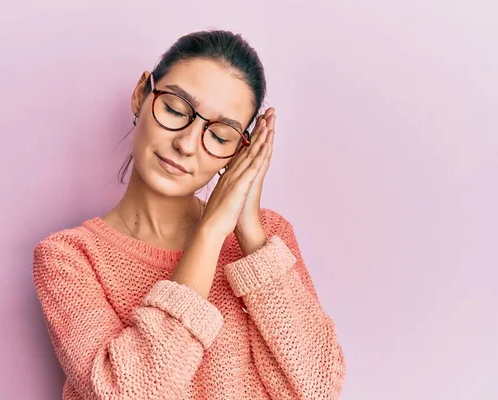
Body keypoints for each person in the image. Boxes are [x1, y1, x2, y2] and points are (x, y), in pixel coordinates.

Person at [32, 29, 346, 400]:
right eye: (175, 109)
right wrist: (209, 236)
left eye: (220, 135)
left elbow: (318, 388)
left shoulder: (265, 241)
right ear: (140, 95)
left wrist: (248, 232)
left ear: (239, 152)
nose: (185, 144)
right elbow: (130, 393)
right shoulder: (69, 259)